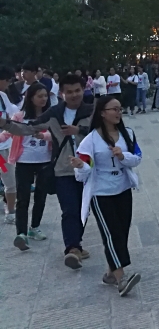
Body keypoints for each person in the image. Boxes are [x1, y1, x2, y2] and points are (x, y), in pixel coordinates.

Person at [71, 95, 142, 296]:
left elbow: (137, 157)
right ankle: (121, 279)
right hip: (101, 192)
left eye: (120, 109)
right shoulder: (90, 140)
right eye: (114, 109)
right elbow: (84, 168)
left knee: (123, 230)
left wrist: (122, 156)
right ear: (102, 113)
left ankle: (110, 274)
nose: (119, 113)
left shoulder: (128, 134)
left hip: (123, 188)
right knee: (111, 233)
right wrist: (81, 165)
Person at [31, 74, 94, 269]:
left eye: (77, 90)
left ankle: (76, 244)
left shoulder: (92, 111)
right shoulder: (55, 112)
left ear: (83, 90)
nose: (74, 95)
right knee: (69, 209)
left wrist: (79, 130)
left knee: (83, 210)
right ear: (61, 93)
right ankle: (72, 248)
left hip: (88, 168)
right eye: (69, 91)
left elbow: (104, 131)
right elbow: (30, 127)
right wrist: (7, 124)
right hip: (63, 169)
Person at [7, 83, 52, 251]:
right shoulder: (20, 116)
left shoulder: (50, 116)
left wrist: (44, 136)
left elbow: (56, 134)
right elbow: (9, 131)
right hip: (24, 161)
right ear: (31, 98)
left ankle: (34, 227)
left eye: (45, 96)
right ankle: (21, 233)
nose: (43, 99)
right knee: (23, 197)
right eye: (40, 96)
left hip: (45, 160)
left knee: (41, 196)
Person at [0, 66, 20, 224]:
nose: (8, 84)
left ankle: (11, 211)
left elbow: (12, 113)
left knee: (9, 180)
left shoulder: (2, 96)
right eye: (7, 81)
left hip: (3, 149)